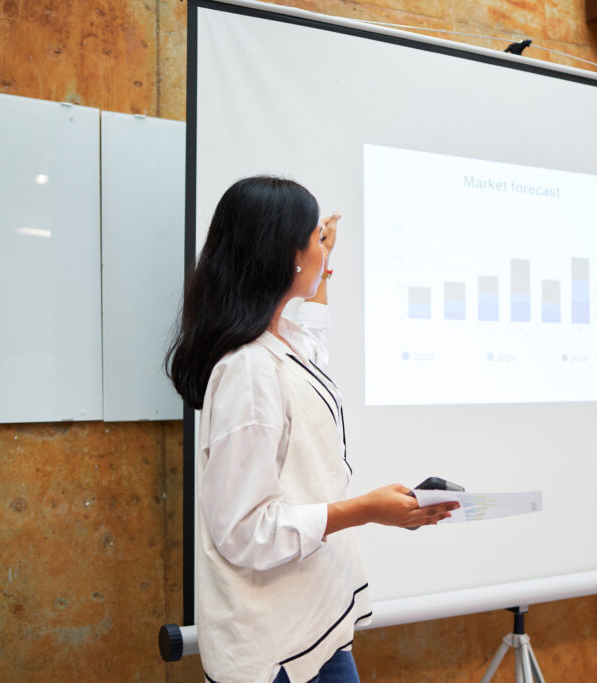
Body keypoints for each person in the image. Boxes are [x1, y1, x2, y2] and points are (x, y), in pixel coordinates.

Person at [166, 176, 458, 683]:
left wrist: (322, 268)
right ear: (287, 255)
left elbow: (314, 349)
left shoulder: (279, 343)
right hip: (274, 651)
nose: (323, 250)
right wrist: (366, 510)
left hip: (313, 629)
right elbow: (244, 530)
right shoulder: (249, 371)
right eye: (313, 240)